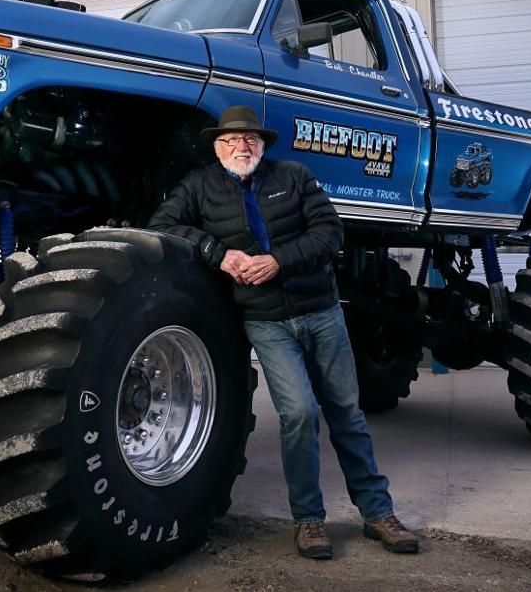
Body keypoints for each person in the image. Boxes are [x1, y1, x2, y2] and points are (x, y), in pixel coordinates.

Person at [149, 105, 420, 560]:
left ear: (262, 143)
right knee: (298, 414)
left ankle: (378, 515)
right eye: (231, 140)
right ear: (217, 147)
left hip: (321, 312)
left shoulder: (294, 175)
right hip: (265, 321)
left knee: (347, 414)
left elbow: (330, 232)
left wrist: (279, 261)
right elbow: (162, 225)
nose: (242, 146)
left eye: (250, 139)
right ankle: (310, 522)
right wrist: (219, 253)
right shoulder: (198, 186)